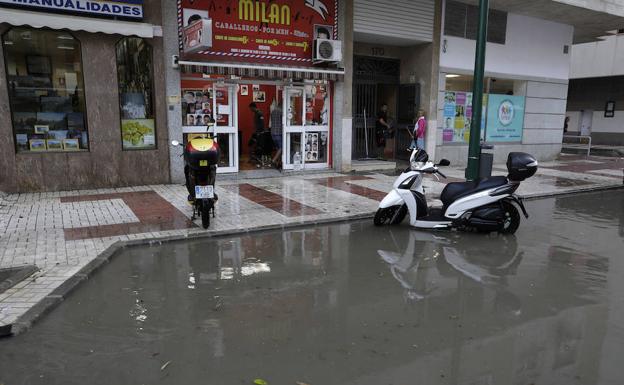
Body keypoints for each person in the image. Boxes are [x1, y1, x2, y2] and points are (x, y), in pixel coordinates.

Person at [270, 100, 283, 169]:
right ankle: (273, 160)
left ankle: (279, 163)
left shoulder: (273, 111)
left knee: (278, 149)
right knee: (282, 148)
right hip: (279, 133)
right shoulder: (282, 112)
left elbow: (272, 121)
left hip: (272, 133)